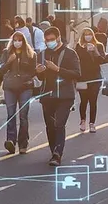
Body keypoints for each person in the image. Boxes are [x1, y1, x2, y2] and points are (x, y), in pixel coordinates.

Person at [34, 26, 81, 166]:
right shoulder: (42, 54)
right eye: (47, 40)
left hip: (65, 95)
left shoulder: (70, 54)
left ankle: (57, 154)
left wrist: (58, 69)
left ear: (59, 38)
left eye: (51, 39)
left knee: (59, 123)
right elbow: (41, 78)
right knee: (50, 125)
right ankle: (53, 149)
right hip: (47, 95)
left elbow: (77, 74)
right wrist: (39, 72)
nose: (49, 42)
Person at [0, 31, 37, 154]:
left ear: (23, 41)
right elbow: (1, 70)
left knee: (23, 115)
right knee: (11, 114)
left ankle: (23, 143)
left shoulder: (31, 54)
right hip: (10, 86)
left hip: (25, 87)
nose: (17, 42)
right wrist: (9, 61)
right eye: (15, 40)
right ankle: (10, 140)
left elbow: (33, 71)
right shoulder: (6, 53)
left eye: (20, 40)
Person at [73, 27, 106, 132]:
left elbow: (102, 60)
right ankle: (82, 120)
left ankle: (92, 123)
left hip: (95, 78)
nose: (88, 36)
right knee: (83, 101)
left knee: (93, 101)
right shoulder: (78, 47)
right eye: (86, 34)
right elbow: (76, 61)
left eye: (90, 34)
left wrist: (95, 51)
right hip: (83, 78)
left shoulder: (99, 46)